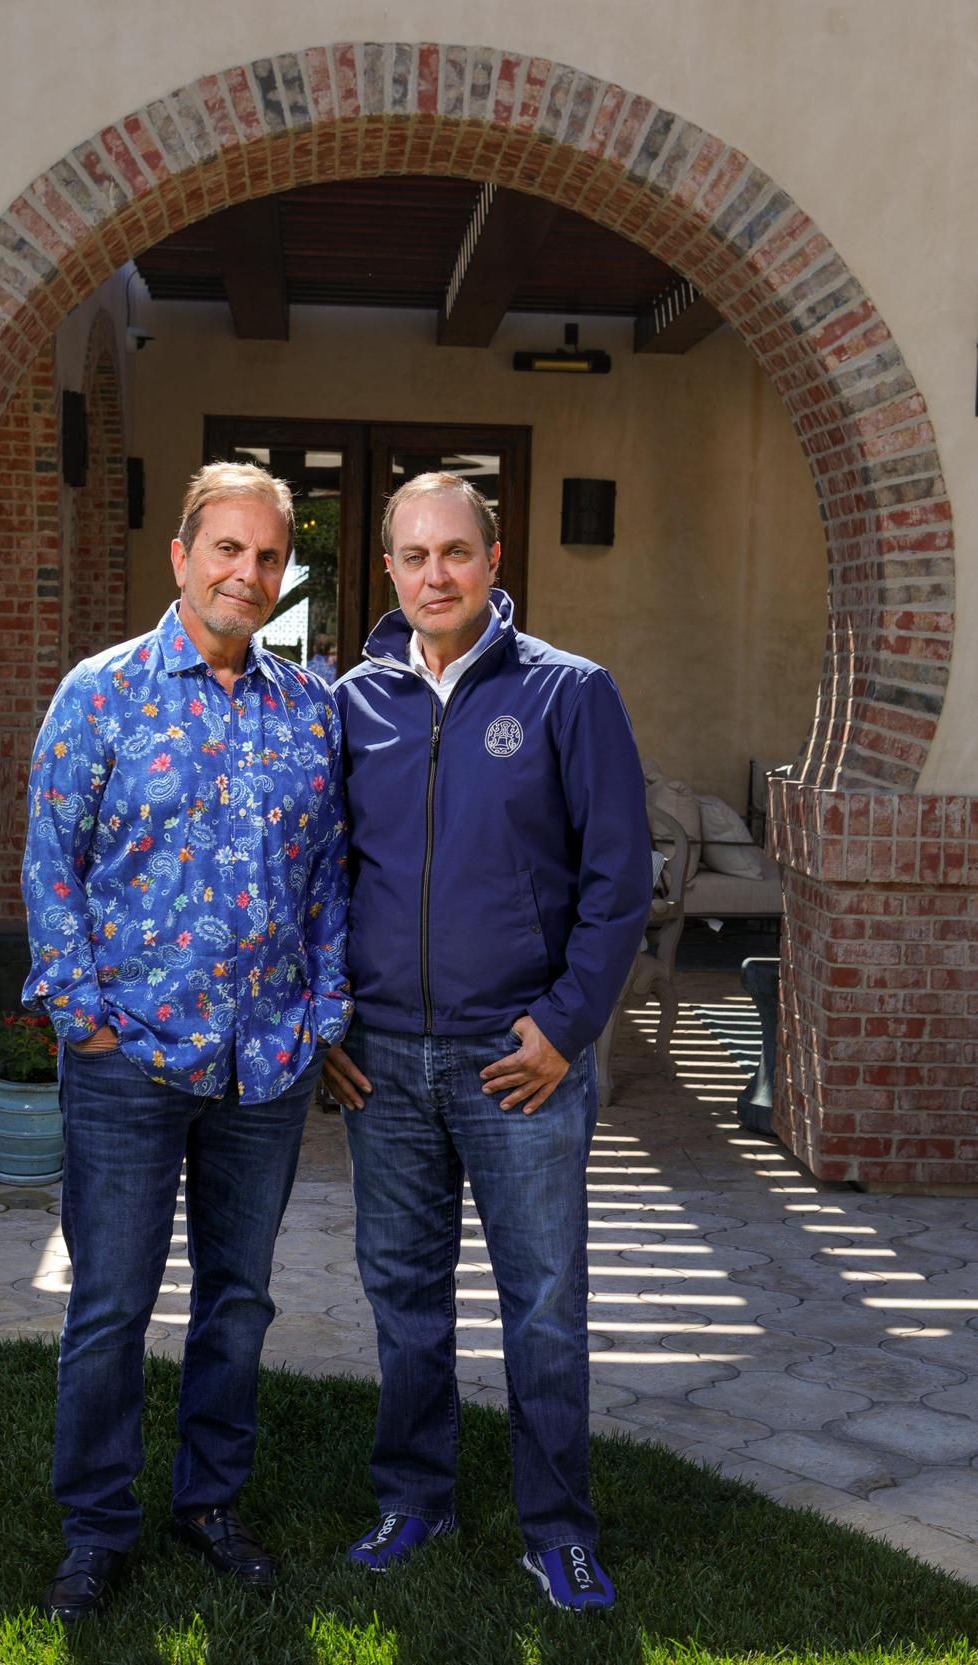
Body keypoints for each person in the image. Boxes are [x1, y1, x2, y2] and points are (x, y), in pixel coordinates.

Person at [22, 462, 351, 1621]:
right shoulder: (99, 695)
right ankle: (97, 1531)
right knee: (110, 1300)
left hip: (261, 1066)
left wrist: (320, 1017)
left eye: (269, 557)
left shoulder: (310, 709)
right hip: (128, 1065)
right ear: (181, 555)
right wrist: (84, 1018)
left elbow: (327, 883)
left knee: (239, 1300)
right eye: (228, 549)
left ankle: (211, 1504)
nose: (247, 574)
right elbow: (50, 864)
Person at [324, 472, 651, 1614]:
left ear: (495, 559)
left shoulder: (570, 693)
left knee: (546, 1307)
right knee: (405, 1298)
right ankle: (415, 1498)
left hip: (519, 1067)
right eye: (413, 557)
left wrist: (564, 1030)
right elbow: (325, 873)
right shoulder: (352, 701)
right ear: (389, 570)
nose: (435, 576)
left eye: (455, 553)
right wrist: (332, 1021)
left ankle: (557, 1528)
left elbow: (621, 882)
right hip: (385, 1064)